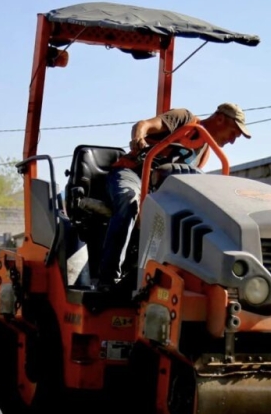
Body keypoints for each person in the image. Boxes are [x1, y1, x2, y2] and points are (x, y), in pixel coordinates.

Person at [97, 103, 251, 289]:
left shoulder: (204, 154)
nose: (233, 141)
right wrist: (138, 138)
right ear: (220, 119)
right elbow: (143, 125)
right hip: (133, 174)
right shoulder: (184, 119)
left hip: (159, 191)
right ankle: (108, 279)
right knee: (130, 200)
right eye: (234, 132)